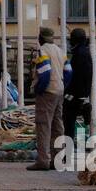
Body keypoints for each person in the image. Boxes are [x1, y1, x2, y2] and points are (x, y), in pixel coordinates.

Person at [27, 27, 67, 171]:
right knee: (57, 125)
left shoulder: (43, 51)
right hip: (59, 90)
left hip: (47, 92)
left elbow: (44, 73)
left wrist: (39, 89)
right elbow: (68, 71)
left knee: (43, 125)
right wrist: (62, 84)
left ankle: (43, 160)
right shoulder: (60, 51)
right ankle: (58, 159)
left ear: (41, 38)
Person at [63, 28, 94, 138]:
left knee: (68, 119)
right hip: (81, 92)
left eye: (71, 38)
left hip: (76, 93)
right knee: (70, 118)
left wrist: (69, 92)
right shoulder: (84, 51)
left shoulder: (79, 54)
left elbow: (78, 76)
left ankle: (69, 146)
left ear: (75, 39)